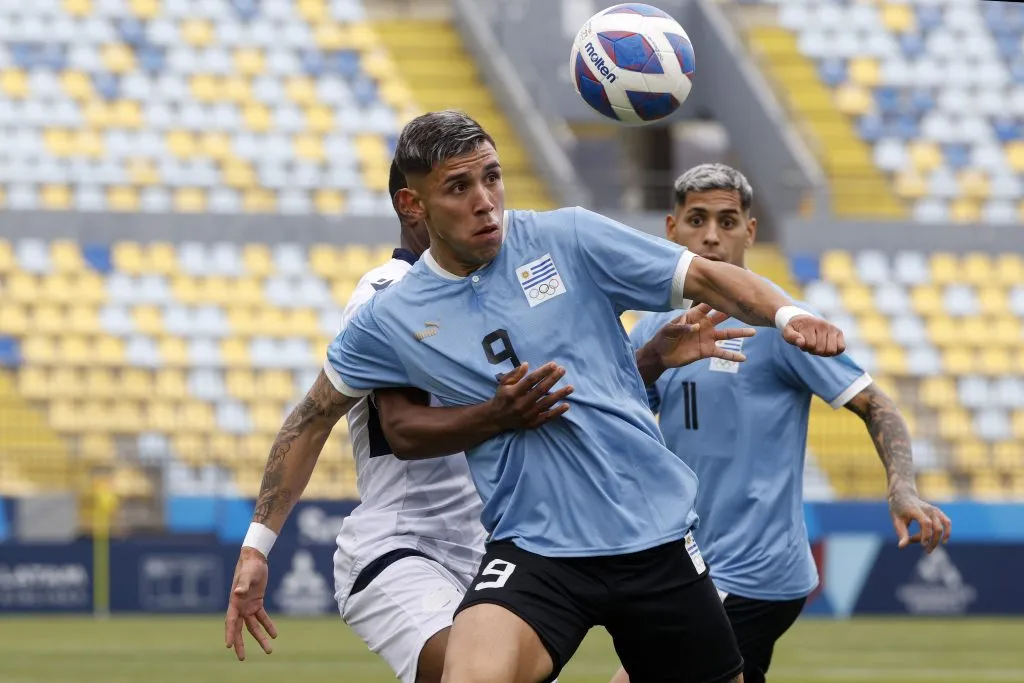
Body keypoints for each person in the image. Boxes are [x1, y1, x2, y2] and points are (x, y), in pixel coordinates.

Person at [227, 110, 846, 683]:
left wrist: (787, 313)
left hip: (653, 537)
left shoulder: (569, 237)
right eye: (459, 188)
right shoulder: (392, 314)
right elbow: (311, 420)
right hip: (535, 549)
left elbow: (707, 275)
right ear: (414, 204)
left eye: (492, 179)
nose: (485, 203)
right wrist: (258, 548)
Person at [612, 164, 954, 683]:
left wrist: (901, 487)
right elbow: (620, 412)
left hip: (753, 572)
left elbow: (877, 405)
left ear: (750, 231)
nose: (710, 235)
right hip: (691, 562)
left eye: (727, 221)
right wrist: (652, 362)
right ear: (671, 229)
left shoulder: (782, 323)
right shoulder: (657, 326)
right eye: (697, 219)